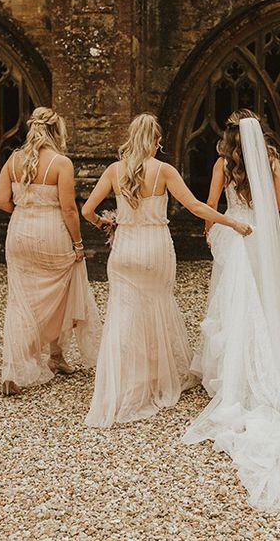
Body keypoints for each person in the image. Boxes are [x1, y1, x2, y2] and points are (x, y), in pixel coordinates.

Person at [183, 110, 280, 512]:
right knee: (261, 300)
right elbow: (277, 203)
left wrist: (212, 233)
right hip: (258, 236)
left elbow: (211, 205)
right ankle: (264, 363)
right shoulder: (272, 162)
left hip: (232, 233)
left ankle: (228, 369)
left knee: (229, 304)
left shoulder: (220, 164)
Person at [81, 113, 252, 428]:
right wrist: (233, 223)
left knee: (124, 315)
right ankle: (156, 378)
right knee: (157, 308)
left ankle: (123, 382)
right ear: (157, 142)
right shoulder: (164, 170)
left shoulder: (114, 171)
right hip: (156, 251)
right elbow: (197, 207)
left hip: (124, 250)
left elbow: (87, 210)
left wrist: (106, 224)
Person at [0, 107, 101, 396]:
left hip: (19, 233)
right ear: (56, 132)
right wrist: (78, 244)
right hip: (51, 232)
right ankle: (55, 356)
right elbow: (69, 209)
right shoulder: (60, 163)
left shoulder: (13, 160)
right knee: (63, 291)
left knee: (21, 300)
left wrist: (25, 210)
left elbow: (1, 201)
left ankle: (16, 369)